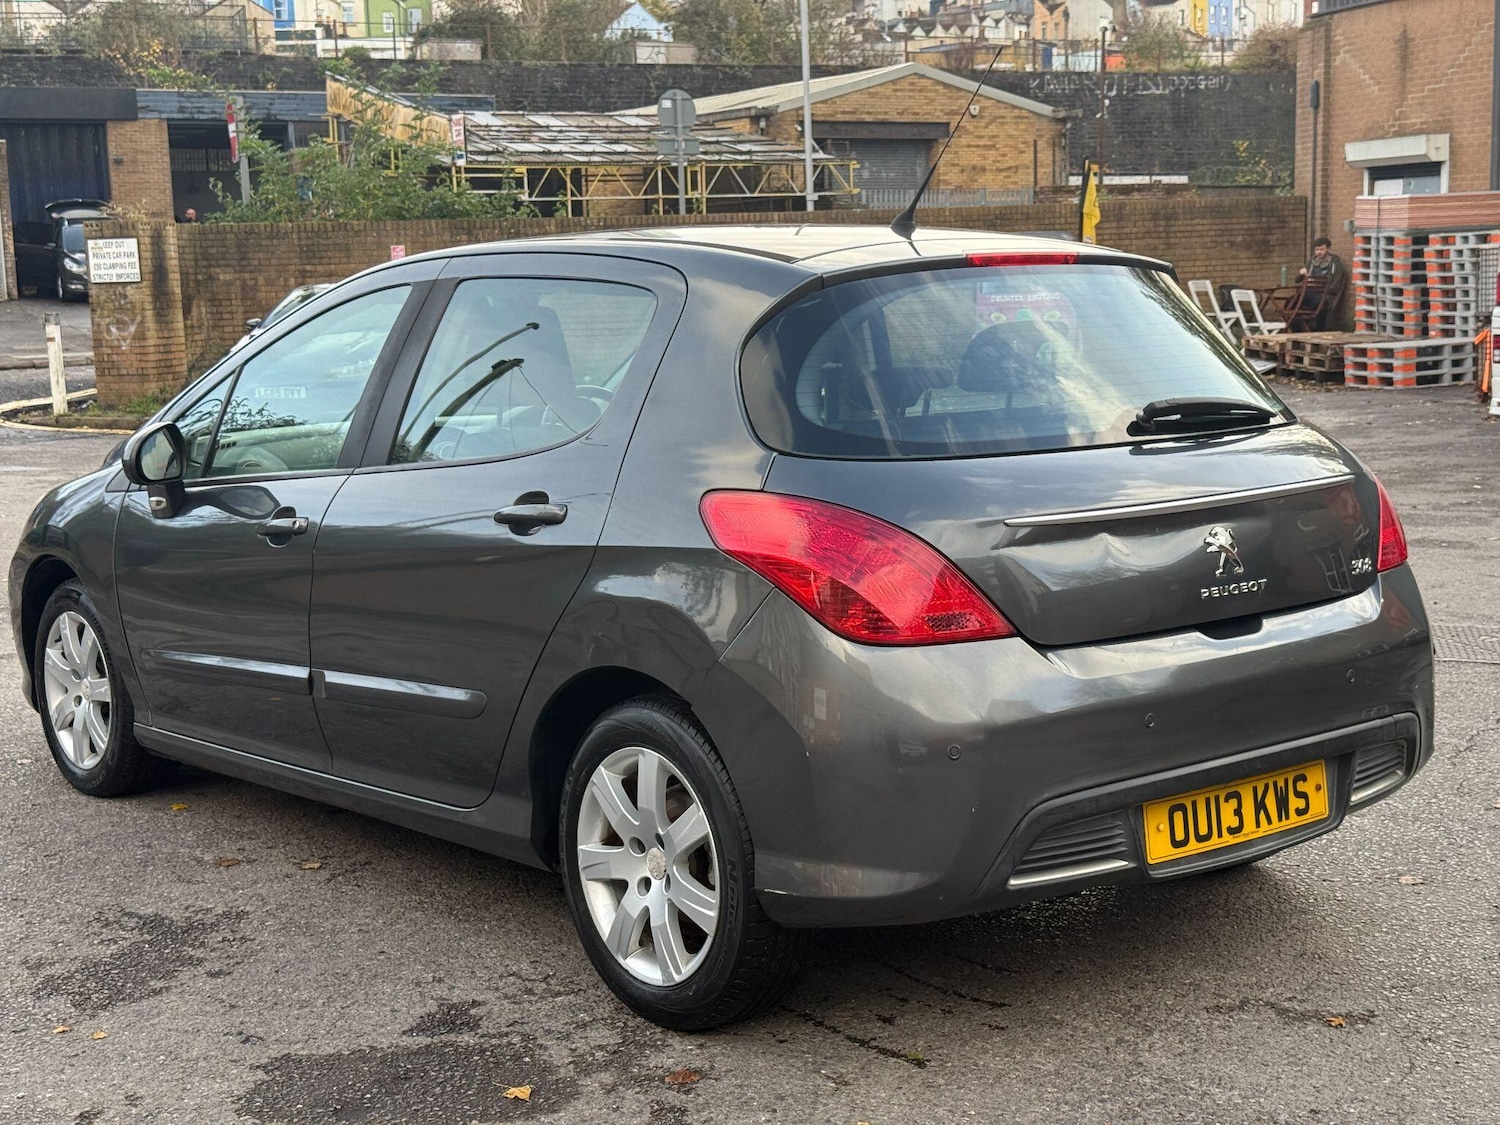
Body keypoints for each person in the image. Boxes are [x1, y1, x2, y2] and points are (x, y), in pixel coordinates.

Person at [1294, 237, 1346, 330]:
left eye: (1322, 249)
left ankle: (1317, 329)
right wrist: (1301, 274)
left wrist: (1318, 287)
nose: (1319, 252)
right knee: (1292, 302)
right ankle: (1297, 330)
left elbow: (1335, 287)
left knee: (1319, 303)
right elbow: (1297, 280)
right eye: (1317, 249)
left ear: (1328, 249)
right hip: (1310, 294)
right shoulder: (1312, 262)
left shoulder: (1335, 265)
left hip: (1325, 296)